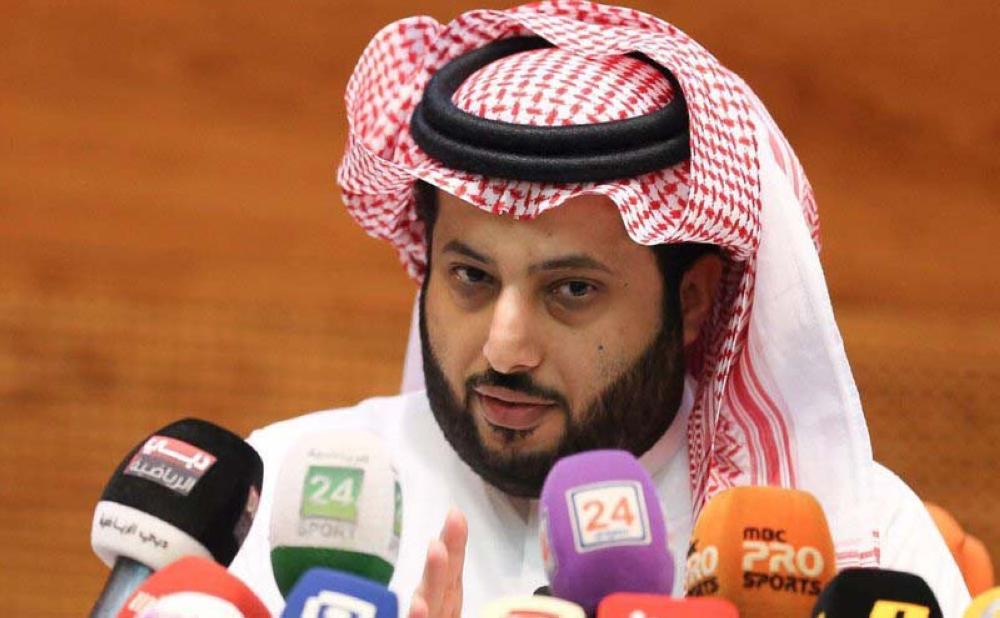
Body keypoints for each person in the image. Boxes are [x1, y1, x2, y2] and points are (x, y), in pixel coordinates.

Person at [229, 2, 971, 615]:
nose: (505, 348)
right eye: (471, 277)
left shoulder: (860, 547)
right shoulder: (280, 494)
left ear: (692, 300)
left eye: (572, 290)